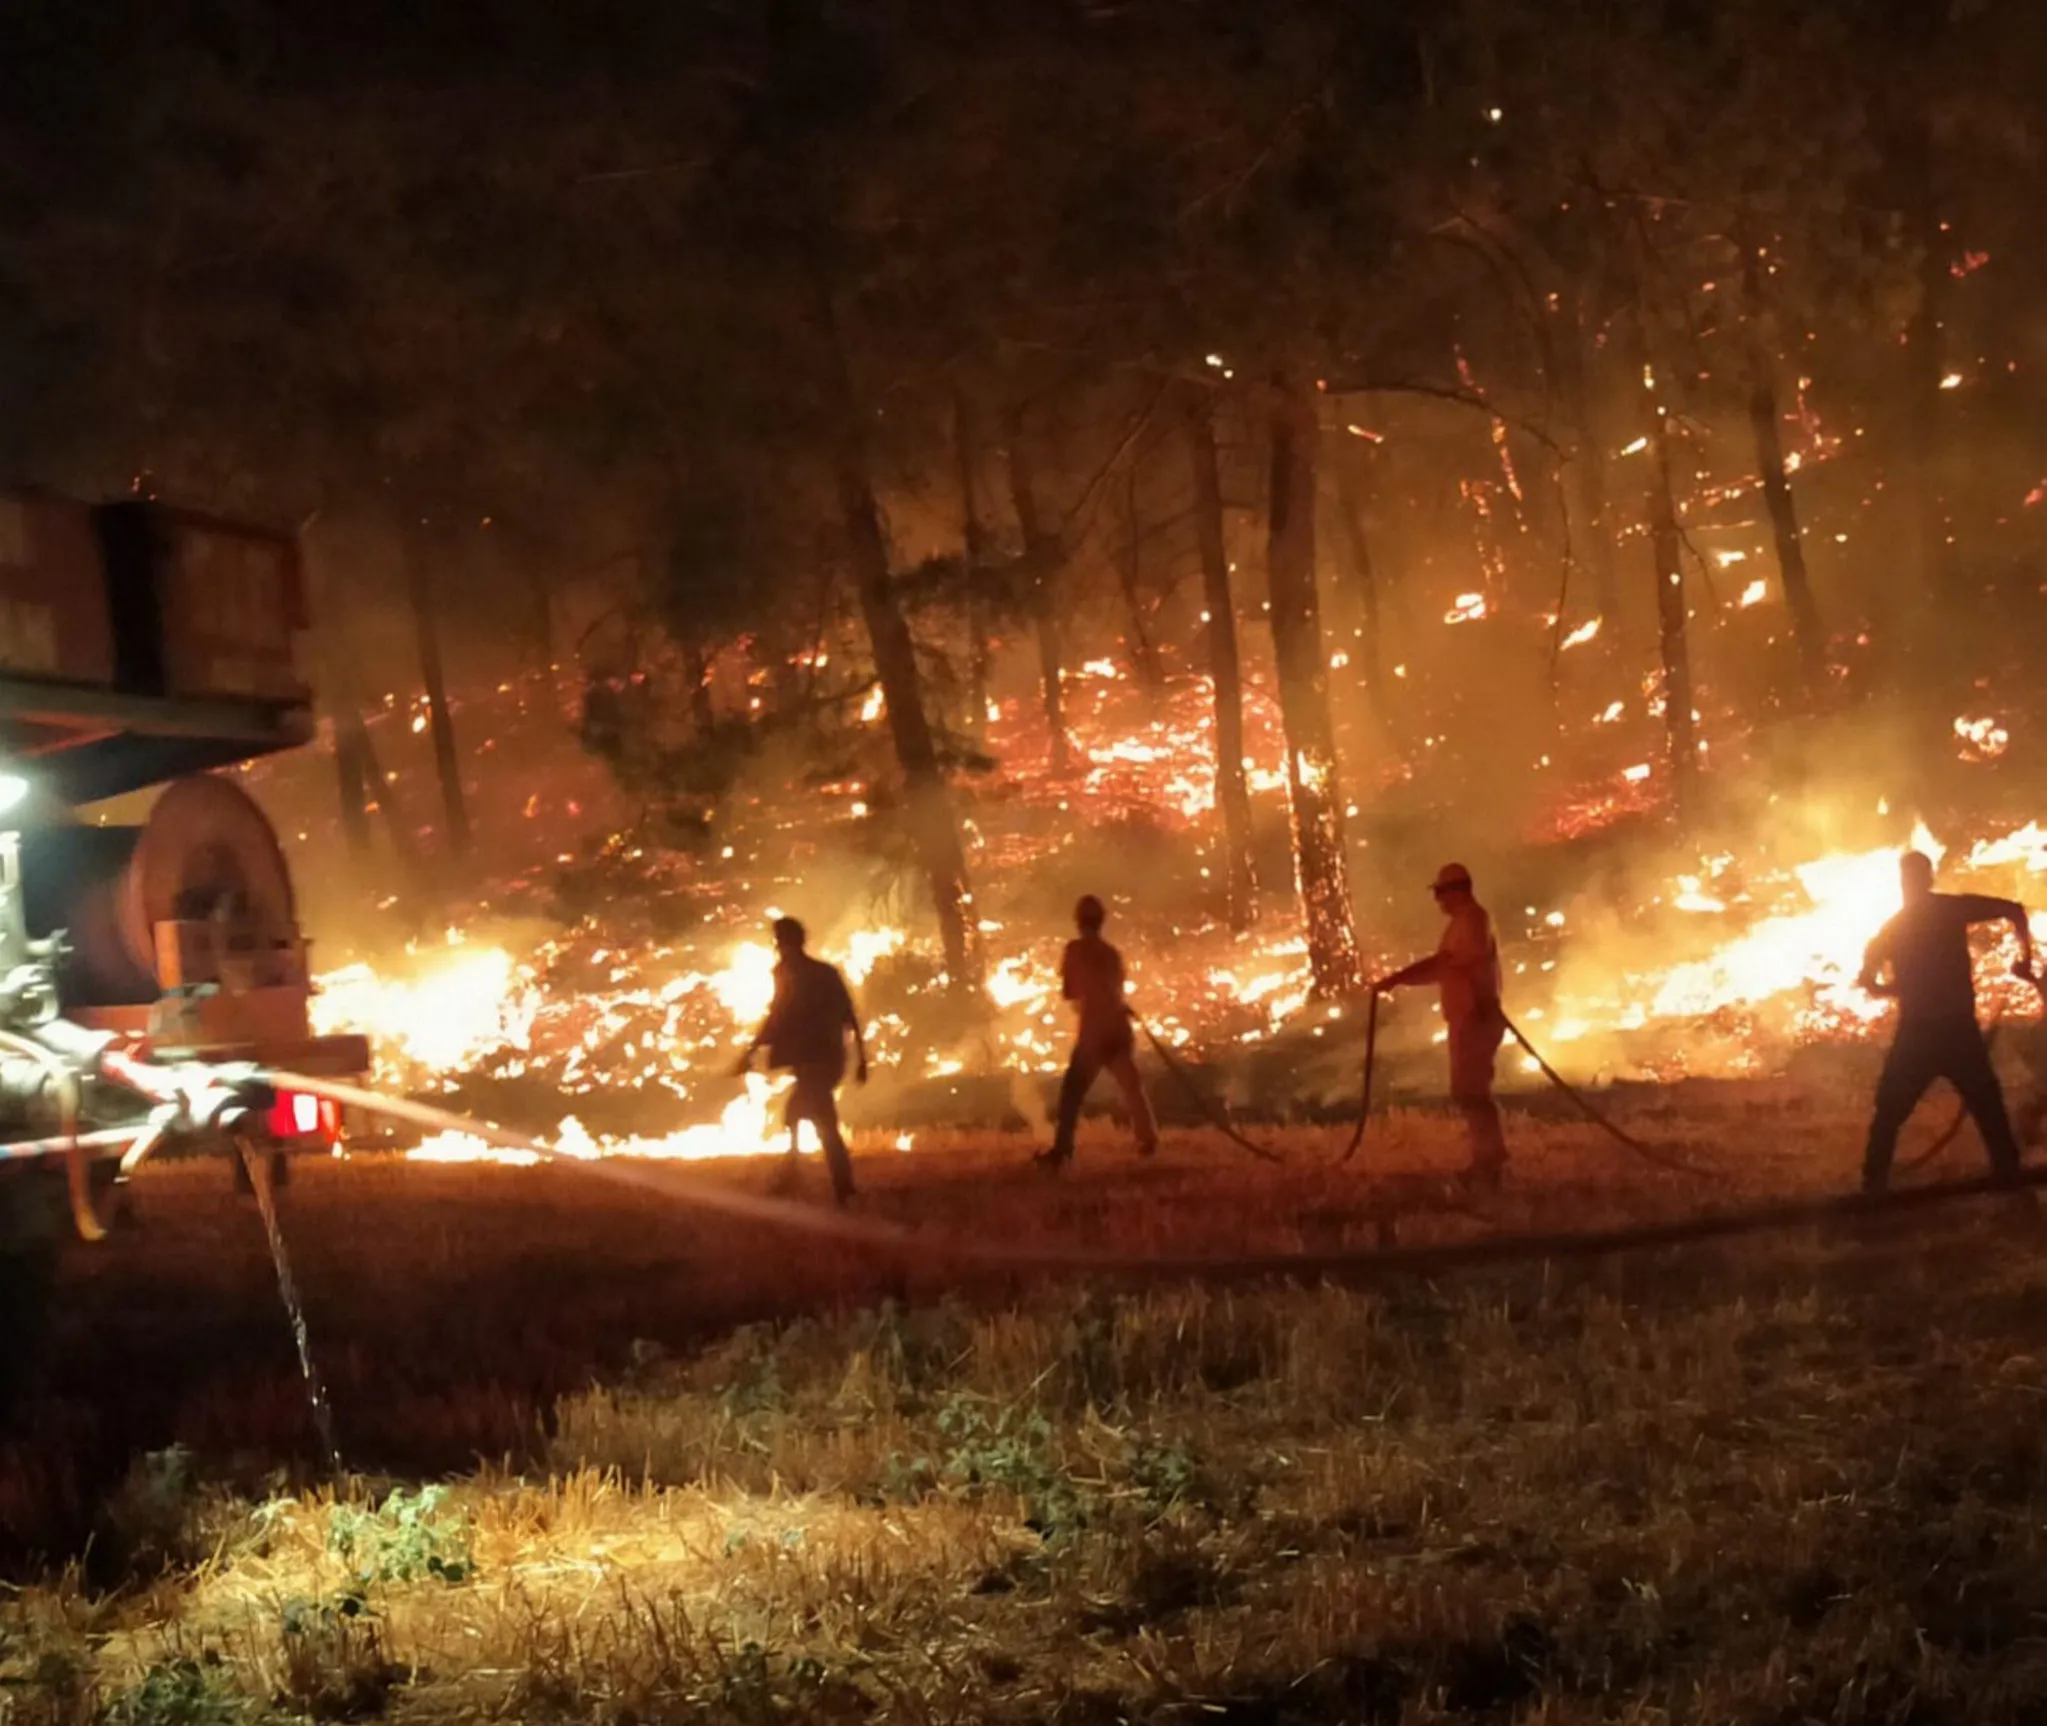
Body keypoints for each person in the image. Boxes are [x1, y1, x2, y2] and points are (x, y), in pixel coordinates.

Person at [1856, 850, 2032, 1194]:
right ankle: (2010, 1178)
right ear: (1928, 878)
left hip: (1923, 1033)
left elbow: (1869, 982)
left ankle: (1872, 1188)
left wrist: (1898, 989)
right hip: (1949, 1031)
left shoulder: (1893, 929)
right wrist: (2024, 959)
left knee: (1890, 1113)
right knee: (1986, 1106)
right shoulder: (1947, 910)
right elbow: (2014, 910)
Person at [1372, 862, 1509, 1186]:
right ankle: (1488, 1158)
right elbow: (1445, 968)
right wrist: (1398, 981)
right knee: (1468, 1091)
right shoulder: (1464, 922)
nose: (1438, 901)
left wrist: (1397, 979)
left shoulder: (1473, 921)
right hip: (1468, 1018)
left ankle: (1489, 1163)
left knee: (1471, 1092)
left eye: (1441, 893)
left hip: (1476, 1019)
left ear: (1458, 890)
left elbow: (1445, 965)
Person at [736, 916, 867, 1205]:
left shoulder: (810, 975)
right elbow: (779, 1016)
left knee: (811, 1116)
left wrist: (862, 1059)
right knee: (808, 1114)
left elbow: (844, 1016)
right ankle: (827, 1181)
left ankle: (814, 1180)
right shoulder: (804, 973)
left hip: (822, 1057)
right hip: (816, 1057)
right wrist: (752, 1050)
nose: (780, 948)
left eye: (781, 941)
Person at [1037, 895, 1157, 1168]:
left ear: (1078, 922)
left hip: (1094, 1034)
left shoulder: (1075, 950)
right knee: (1132, 1088)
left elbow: (1069, 993)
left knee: (1072, 1093)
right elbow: (1116, 989)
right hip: (1118, 1028)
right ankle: (1147, 1141)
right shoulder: (1112, 953)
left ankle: (1062, 1150)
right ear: (1101, 922)